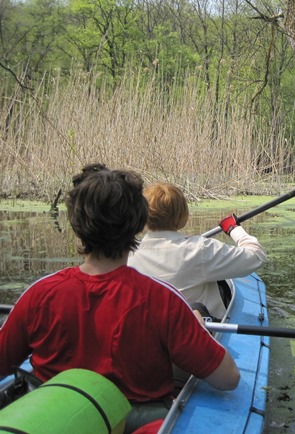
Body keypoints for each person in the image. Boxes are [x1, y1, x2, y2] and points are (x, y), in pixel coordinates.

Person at [0, 164, 240, 433]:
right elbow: (228, 378)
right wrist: (198, 327)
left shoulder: (38, 294)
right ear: (138, 223)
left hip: (51, 421)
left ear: (76, 223)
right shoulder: (163, 300)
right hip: (139, 422)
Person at [128, 182, 267, 320]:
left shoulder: (127, 255)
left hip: (150, 330)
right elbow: (257, 256)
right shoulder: (199, 250)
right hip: (197, 330)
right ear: (183, 216)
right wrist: (234, 229)